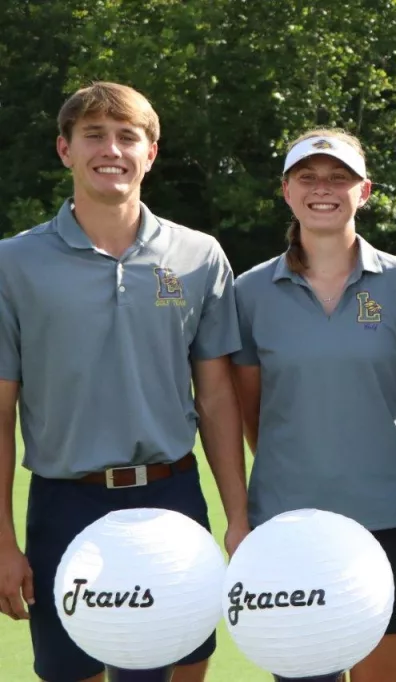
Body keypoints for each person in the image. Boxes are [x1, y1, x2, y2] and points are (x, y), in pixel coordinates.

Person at [0, 82, 249, 682]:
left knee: (178, 668)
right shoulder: (13, 263)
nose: (111, 150)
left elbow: (217, 399)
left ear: (150, 153)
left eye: (126, 137)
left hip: (171, 498)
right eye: (93, 135)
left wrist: (238, 518)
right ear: (65, 149)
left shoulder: (198, 255)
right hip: (65, 503)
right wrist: (2, 541)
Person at [230, 128, 396, 682]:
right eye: (308, 177)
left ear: (364, 191)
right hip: (287, 524)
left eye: (339, 177)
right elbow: (253, 413)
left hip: (390, 519)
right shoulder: (248, 293)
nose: (323, 188)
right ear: (287, 191)